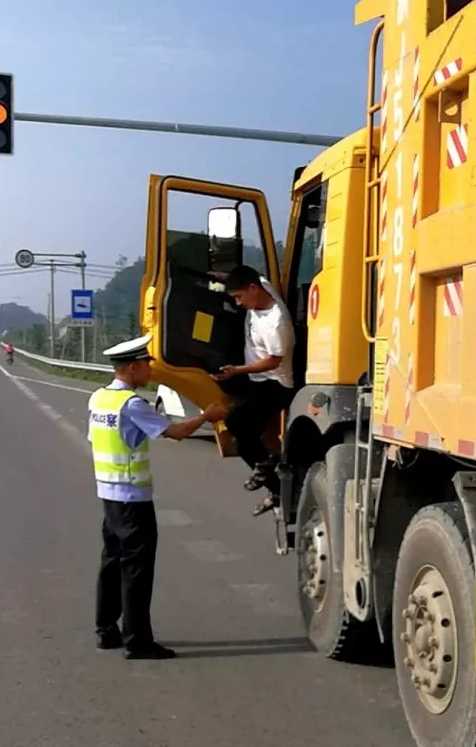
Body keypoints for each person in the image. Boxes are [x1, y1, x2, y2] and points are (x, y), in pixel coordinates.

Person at [89, 334, 225, 659]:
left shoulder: (98, 398)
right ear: (133, 368)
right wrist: (208, 416)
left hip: (108, 495)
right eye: (147, 365)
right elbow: (175, 432)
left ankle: (105, 629)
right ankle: (137, 641)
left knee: (111, 562)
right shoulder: (132, 405)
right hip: (133, 499)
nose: (150, 370)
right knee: (136, 570)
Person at [211, 265, 295, 516]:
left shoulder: (276, 322)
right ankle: (271, 474)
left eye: (239, 297)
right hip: (257, 378)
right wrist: (226, 277)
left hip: (275, 383)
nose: (238, 303)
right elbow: (254, 275)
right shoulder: (261, 288)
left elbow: (273, 361)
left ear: (252, 290)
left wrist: (237, 370)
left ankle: (269, 471)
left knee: (236, 424)